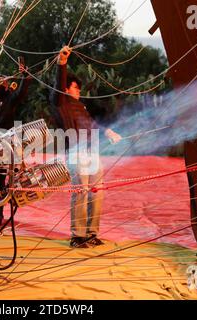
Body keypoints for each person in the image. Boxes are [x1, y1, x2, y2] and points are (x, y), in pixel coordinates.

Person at [50, 46, 122, 248]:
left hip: (92, 153)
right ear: (65, 88)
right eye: (75, 87)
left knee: (96, 192)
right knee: (80, 192)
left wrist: (108, 132)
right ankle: (77, 236)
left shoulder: (81, 106)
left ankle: (91, 233)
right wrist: (61, 63)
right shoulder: (60, 102)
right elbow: (58, 84)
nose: (79, 90)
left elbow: (92, 124)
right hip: (76, 153)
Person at [0, 62, 32, 227]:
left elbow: (21, 93)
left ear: (7, 84)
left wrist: (26, 75)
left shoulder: (10, 98)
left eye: (2, 80)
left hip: (6, 144)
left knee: (4, 179)